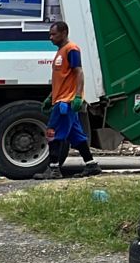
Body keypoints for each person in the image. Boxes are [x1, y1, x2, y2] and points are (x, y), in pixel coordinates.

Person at [36, 20, 101, 180]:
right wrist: (51, 97)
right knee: (76, 136)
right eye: (50, 34)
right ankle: (91, 165)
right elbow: (63, 78)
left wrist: (78, 96)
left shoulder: (71, 49)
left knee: (52, 133)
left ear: (64, 33)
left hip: (66, 102)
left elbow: (78, 72)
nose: (50, 37)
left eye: (54, 34)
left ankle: (54, 169)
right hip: (61, 99)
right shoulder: (61, 51)